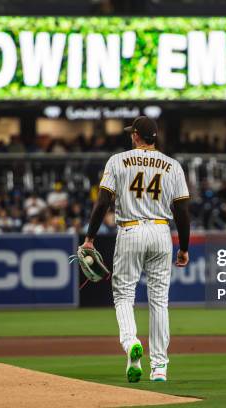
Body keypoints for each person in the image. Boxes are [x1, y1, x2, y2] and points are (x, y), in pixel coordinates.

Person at [82, 116, 190, 383]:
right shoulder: (173, 165)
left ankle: (131, 343)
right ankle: (160, 367)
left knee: (123, 295)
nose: (131, 135)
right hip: (161, 231)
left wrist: (90, 238)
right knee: (159, 301)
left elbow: (103, 202)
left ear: (137, 136)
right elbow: (182, 211)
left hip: (130, 229)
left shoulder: (117, 161)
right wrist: (184, 247)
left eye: (133, 133)